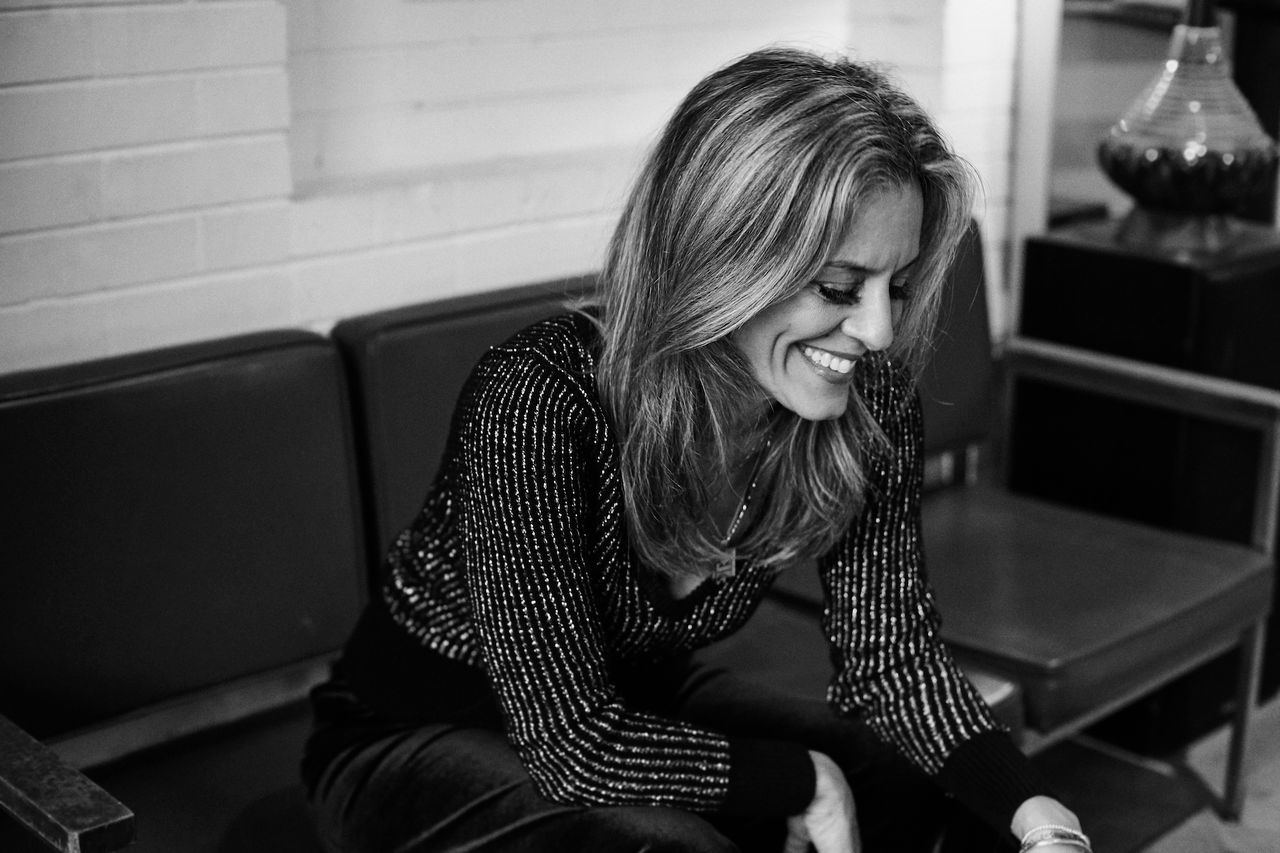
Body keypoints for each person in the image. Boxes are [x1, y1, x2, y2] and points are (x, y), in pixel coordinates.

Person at [302, 47, 1091, 853]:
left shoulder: (867, 396)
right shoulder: (539, 396)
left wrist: (1038, 813)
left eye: (900, 283)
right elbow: (574, 746)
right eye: (837, 286)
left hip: (630, 709)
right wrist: (802, 780)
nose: (879, 329)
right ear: (725, 257)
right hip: (412, 737)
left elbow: (892, 659)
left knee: (905, 775)